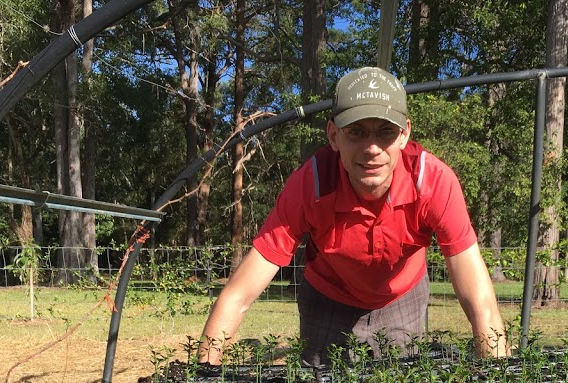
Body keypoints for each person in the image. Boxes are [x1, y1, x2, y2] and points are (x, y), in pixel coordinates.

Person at [198, 66, 509, 366]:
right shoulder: (311, 185)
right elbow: (239, 294)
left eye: (386, 132)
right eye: (356, 132)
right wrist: (203, 374)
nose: (371, 148)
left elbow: (478, 300)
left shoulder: (433, 182)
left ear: (404, 134)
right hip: (327, 297)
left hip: (402, 295)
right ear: (333, 136)